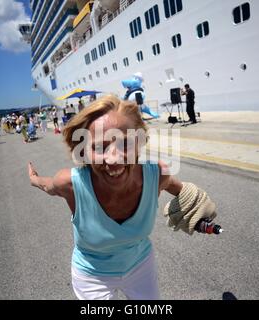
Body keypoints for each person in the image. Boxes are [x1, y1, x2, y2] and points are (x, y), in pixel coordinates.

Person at [28, 95, 218, 300]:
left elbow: (185, 193)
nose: (114, 159)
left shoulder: (157, 175)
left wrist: (199, 215)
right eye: (99, 147)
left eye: (125, 143)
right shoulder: (71, 184)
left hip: (140, 267)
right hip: (92, 276)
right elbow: (47, 186)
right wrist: (34, 179)